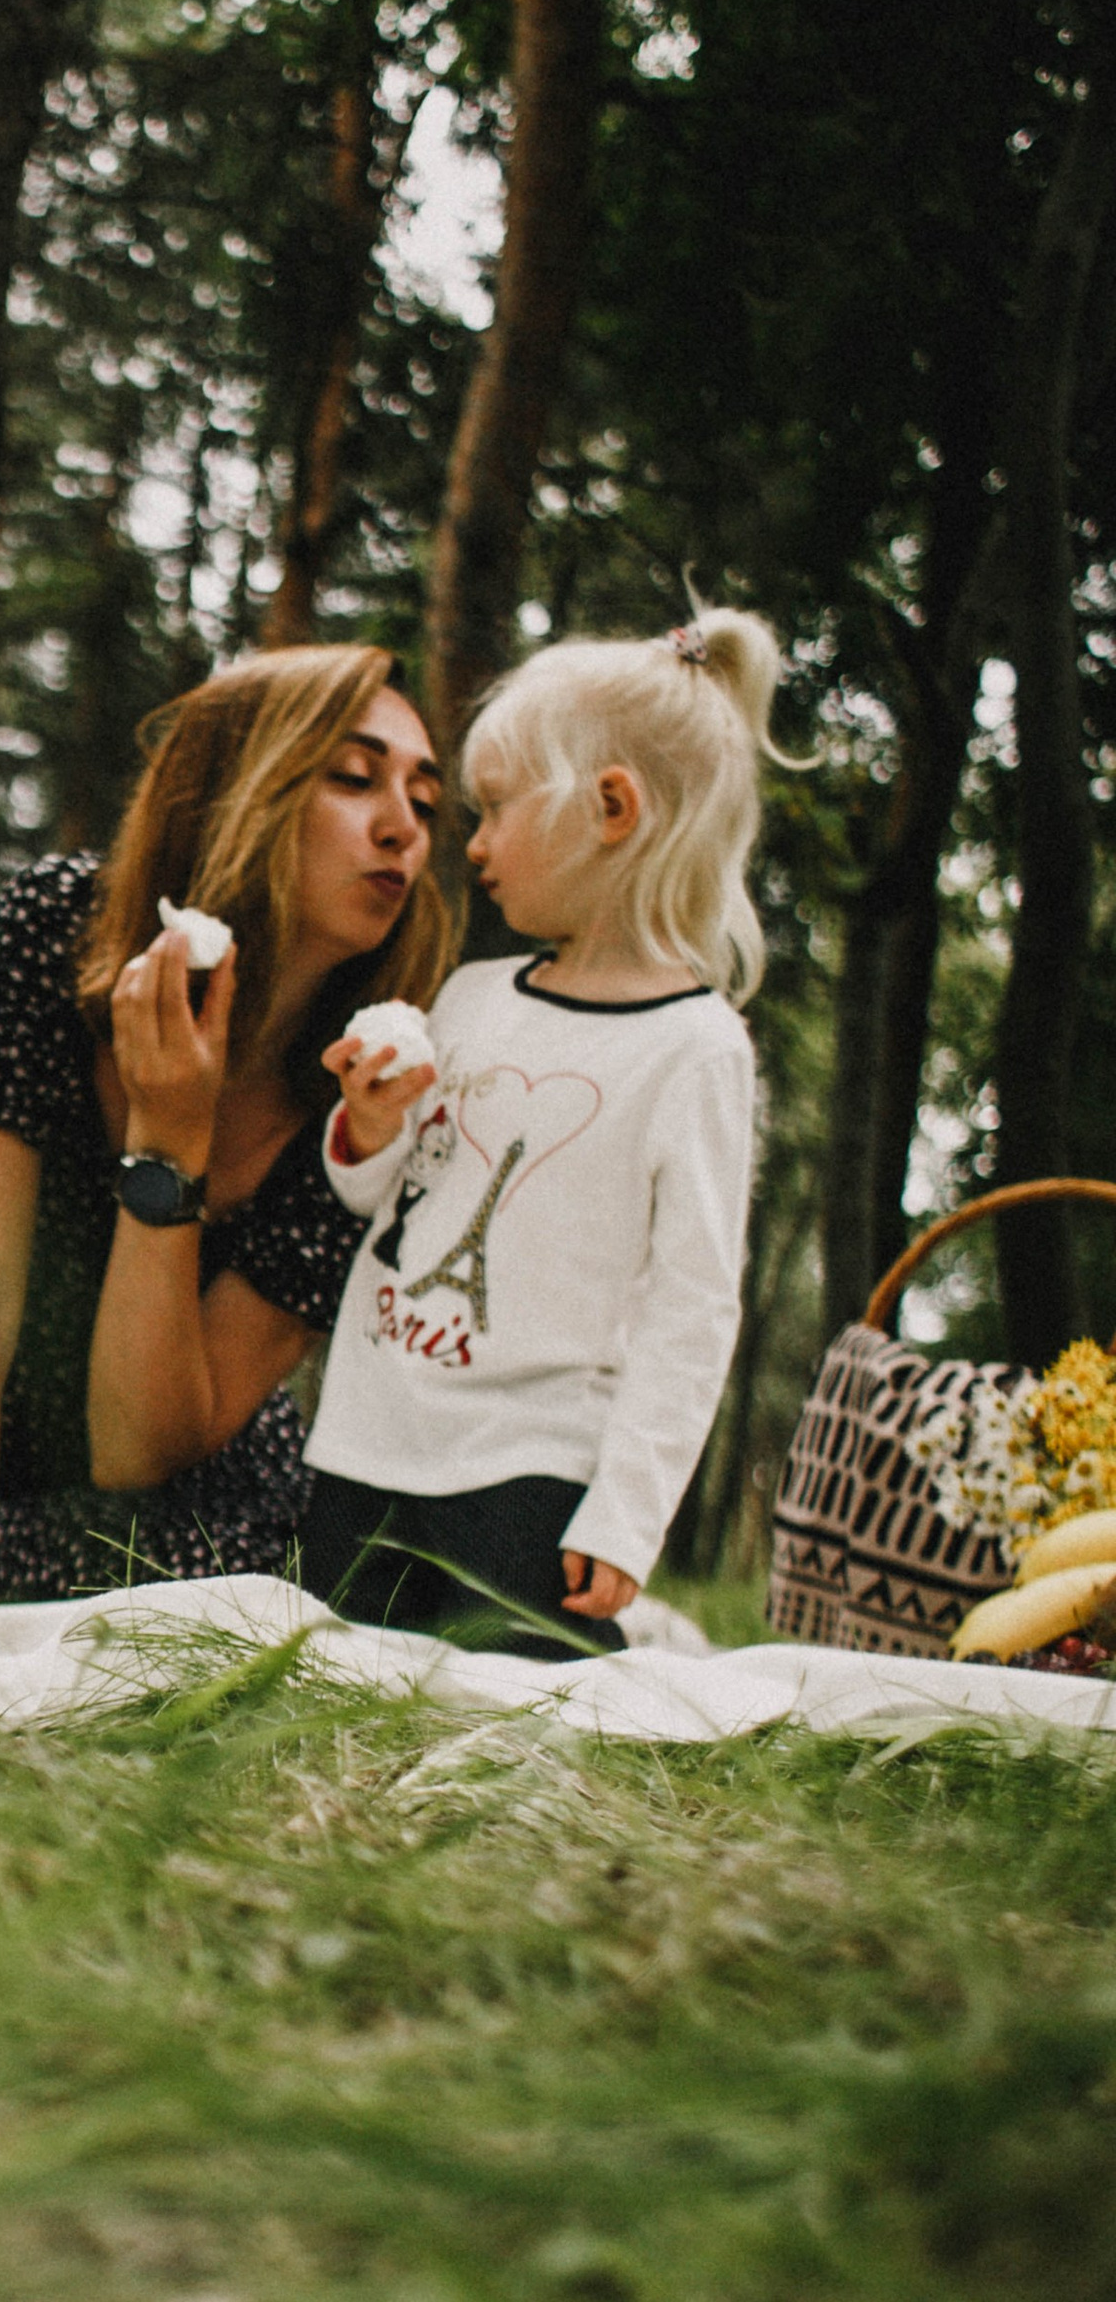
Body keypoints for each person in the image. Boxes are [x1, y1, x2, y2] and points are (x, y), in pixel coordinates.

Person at [0, 647, 455, 1604]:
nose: (402, 830)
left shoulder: (362, 1107)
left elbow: (139, 1450)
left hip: (198, 1509)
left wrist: (169, 1147)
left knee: (271, 1592)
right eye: (351, 777)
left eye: (424, 801)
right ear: (233, 788)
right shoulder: (58, 932)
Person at [301, 608, 784, 1657]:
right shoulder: (471, 996)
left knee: (526, 1709)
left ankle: (655, 1643)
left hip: (531, 1469)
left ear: (610, 807)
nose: (467, 843)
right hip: (367, 1439)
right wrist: (368, 1127)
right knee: (334, 1686)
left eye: (495, 810)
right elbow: (382, 1200)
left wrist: (626, 1511)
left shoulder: (695, 1050)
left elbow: (691, 1312)